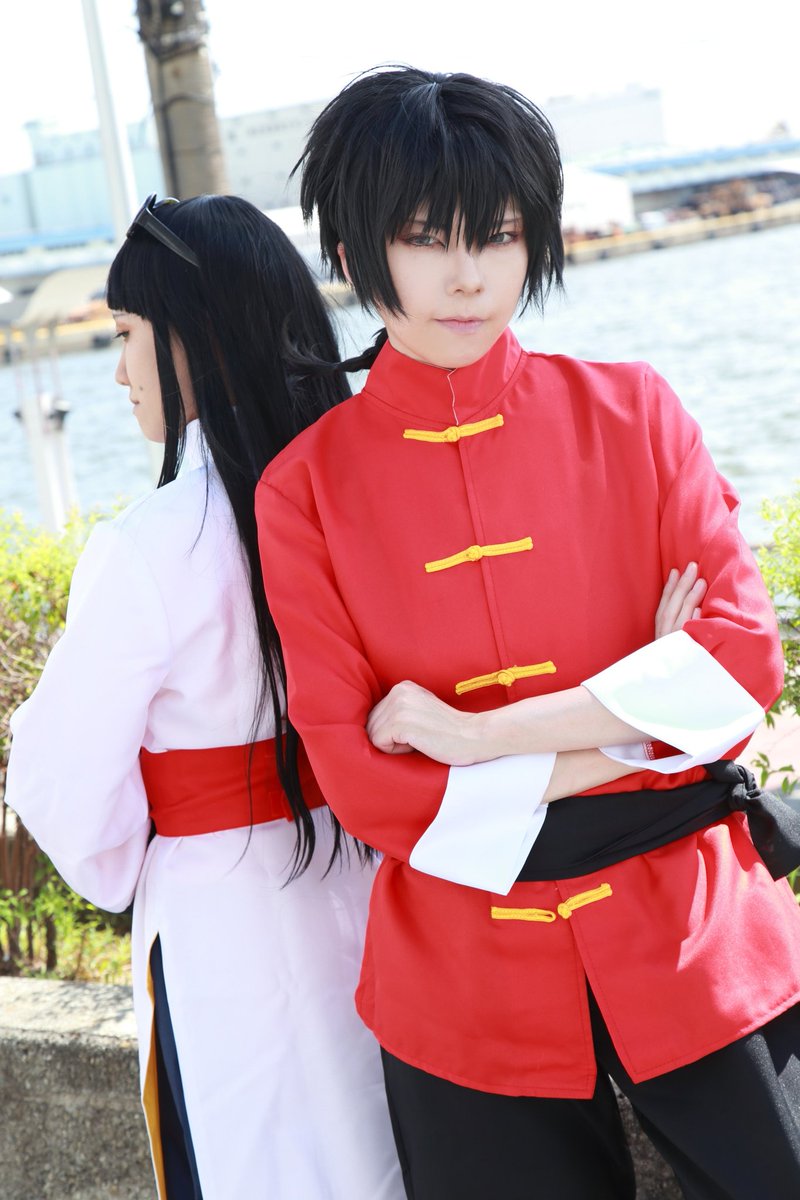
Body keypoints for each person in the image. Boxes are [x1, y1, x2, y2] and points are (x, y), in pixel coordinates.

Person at [255, 68, 800, 1200]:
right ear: (353, 255)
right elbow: (366, 783)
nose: (468, 275)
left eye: (497, 236)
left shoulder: (634, 412)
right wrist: (647, 726)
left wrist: (475, 738)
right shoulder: (303, 491)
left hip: (696, 926)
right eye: (424, 239)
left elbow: (741, 666)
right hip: (460, 978)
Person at [5, 194, 403, 1200]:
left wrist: (138, 856)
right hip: (383, 887)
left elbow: (62, 786)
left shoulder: (149, 545)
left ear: (191, 336)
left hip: (225, 916)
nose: (118, 370)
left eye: (124, 334)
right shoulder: (367, 497)